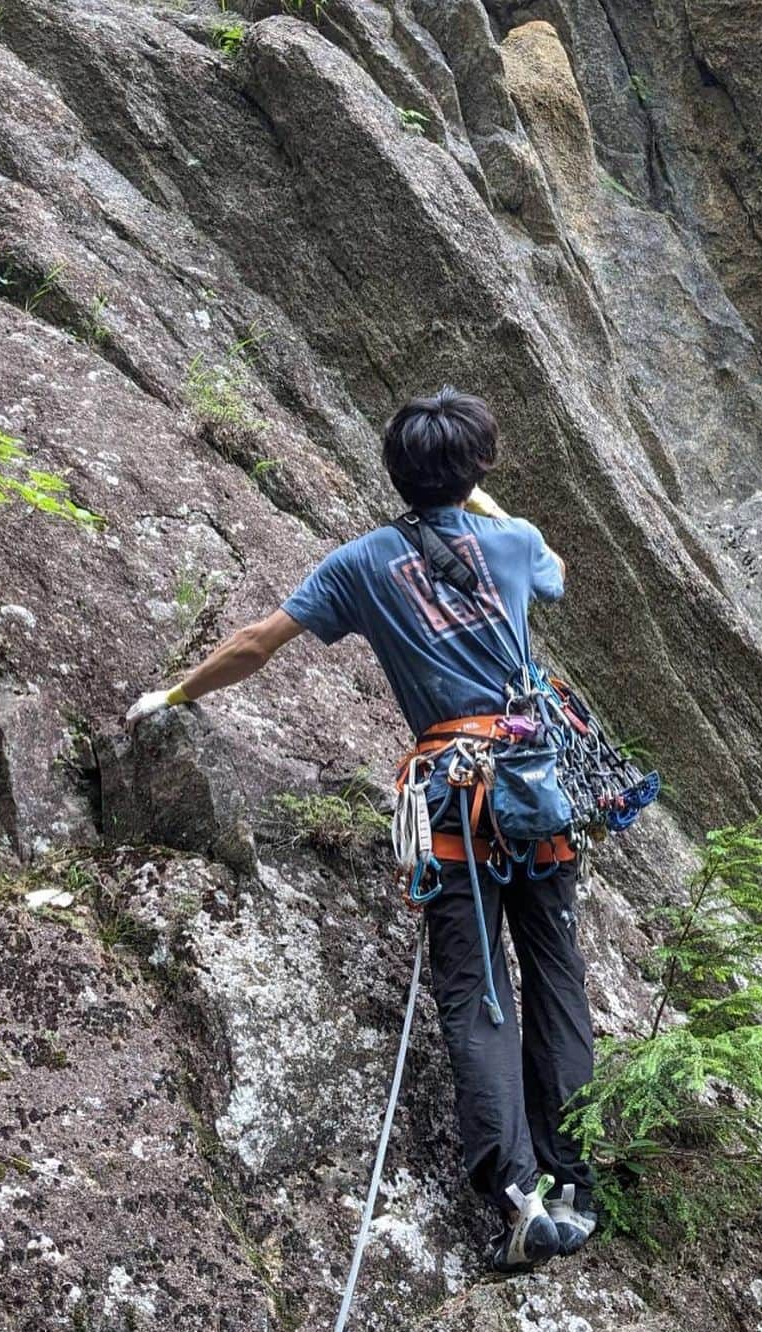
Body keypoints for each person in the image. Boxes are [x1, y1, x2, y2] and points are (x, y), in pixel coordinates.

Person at [126, 386, 597, 1272]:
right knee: (556, 974)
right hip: (535, 787)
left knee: (478, 989)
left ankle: (518, 1194)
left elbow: (259, 642)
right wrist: (487, 502)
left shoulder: (362, 564)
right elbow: (558, 576)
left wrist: (176, 693)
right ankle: (575, 1175)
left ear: (391, 471)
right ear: (480, 465)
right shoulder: (514, 543)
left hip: (453, 794)